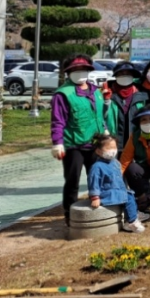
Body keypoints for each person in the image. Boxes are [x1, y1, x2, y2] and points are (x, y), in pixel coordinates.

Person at [50, 53, 107, 227]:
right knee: (72, 180)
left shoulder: (95, 91)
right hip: (74, 144)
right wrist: (57, 142)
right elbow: (58, 120)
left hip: (95, 143)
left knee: (96, 176)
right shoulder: (63, 94)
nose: (80, 72)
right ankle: (70, 213)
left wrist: (104, 129)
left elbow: (98, 114)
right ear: (68, 73)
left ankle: (98, 207)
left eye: (83, 69)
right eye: (75, 70)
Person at [88, 134, 149, 233]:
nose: (113, 150)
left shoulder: (115, 162)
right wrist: (95, 197)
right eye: (109, 148)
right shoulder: (97, 166)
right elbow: (93, 182)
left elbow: (120, 179)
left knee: (130, 194)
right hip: (106, 193)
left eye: (114, 147)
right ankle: (132, 222)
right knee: (127, 197)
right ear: (98, 151)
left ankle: (132, 215)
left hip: (117, 190)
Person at [103, 61, 146, 151]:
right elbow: (100, 116)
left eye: (128, 73)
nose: (125, 75)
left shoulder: (142, 94)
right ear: (116, 75)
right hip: (113, 142)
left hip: (135, 142)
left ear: (133, 76)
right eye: (121, 73)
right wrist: (106, 100)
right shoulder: (106, 92)